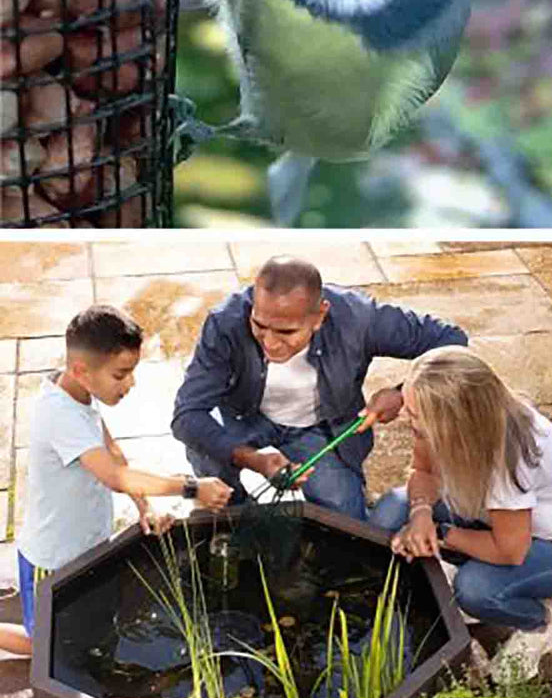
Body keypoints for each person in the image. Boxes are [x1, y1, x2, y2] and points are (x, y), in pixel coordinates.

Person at [0, 307, 233, 658]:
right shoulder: (60, 416)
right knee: (46, 648)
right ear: (81, 370)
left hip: (85, 549)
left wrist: (145, 505)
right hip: (52, 561)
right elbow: (115, 476)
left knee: (81, 634)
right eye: (121, 374)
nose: (131, 383)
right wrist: (191, 487)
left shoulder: (75, 392)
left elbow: (114, 455)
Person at [172, 256, 467, 522]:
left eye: (286, 331)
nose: (270, 343)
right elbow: (186, 416)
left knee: (346, 525)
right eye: (259, 325)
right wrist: (253, 459)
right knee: (206, 446)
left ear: (320, 315)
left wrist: (403, 392)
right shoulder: (226, 322)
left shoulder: (359, 318)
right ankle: (233, 512)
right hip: (247, 418)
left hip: (321, 429)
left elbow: (452, 341)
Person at [371, 347, 552, 682]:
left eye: (415, 414)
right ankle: (445, 569)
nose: (407, 417)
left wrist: (440, 532)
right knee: (391, 510)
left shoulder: (508, 452)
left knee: (476, 588)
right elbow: (423, 472)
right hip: (493, 516)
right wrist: (420, 515)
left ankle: (536, 624)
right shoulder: (440, 423)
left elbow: (509, 549)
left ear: (455, 419)